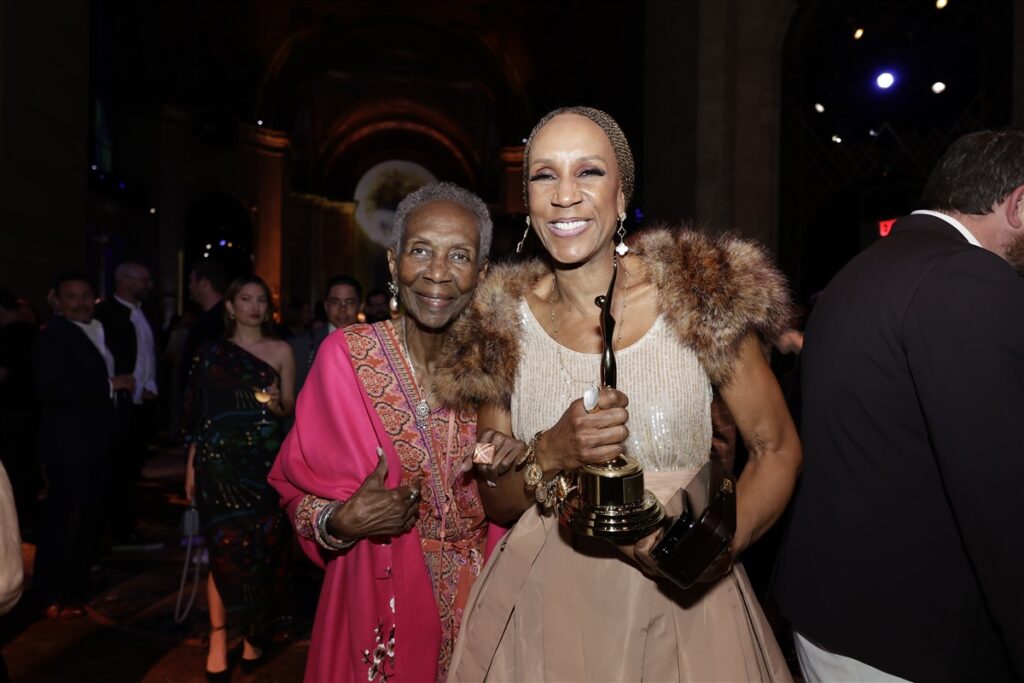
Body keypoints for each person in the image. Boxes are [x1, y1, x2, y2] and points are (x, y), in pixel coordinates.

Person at [439, 107, 800, 682]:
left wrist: (718, 550)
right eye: (544, 175)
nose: (565, 195)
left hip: (685, 606)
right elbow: (495, 496)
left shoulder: (700, 296)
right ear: (527, 199)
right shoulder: (499, 325)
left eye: (588, 171)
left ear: (622, 193)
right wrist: (550, 452)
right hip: (549, 613)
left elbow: (776, 447)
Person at [773, 130, 1024, 683]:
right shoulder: (969, 277)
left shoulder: (862, 269)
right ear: (1019, 203)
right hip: (911, 636)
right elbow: (1002, 494)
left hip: (832, 611)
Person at [269, 182, 499, 683]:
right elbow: (293, 486)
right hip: (378, 607)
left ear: (481, 274)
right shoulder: (346, 358)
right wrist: (339, 521)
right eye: (421, 251)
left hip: (487, 612)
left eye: (459, 255)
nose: (438, 272)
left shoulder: (503, 366)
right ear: (394, 263)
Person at [183, 275, 296, 680]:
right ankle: (218, 637)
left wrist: (276, 401)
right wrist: (191, 465)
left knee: (262, 551)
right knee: (222, 551)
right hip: (217, 465)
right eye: (246, 299)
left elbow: (288, 409)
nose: (254, 307)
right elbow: (198, 414)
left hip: (263, 464)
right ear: (230, 307)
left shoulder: (281, 350)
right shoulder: (210, 353)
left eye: (261, 300)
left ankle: (252, 632)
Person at [31, 272, 134, 619]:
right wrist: (109, 385)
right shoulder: (53, 335)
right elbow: (50, 389)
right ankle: (50, 594)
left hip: (96, 443)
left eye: (85, 295)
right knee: (63, 521)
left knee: (87, 518)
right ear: (57, 301)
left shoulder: (99, 329)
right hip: (69, 446)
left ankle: (75, 588)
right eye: (71, 296)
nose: (80, 302)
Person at [94, 262, 160, 547]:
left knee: (131, 470)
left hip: (140, 406)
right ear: (125, 280)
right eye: (144, 280)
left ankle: (125, 526)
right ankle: (115, 531)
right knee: (117, 471)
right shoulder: (106, 314)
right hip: (117, 405)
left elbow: (147, 356)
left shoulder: (145, 313)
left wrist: (150, 387)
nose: (149, 285)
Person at [0, 290, 40, 533]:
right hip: (35, 411)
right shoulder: (36, 333)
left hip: (11, 414)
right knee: (27, 469)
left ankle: (20, 524)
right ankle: (28, 521)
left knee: (14, 472)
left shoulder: (7, 336)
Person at [288, 275, 362, 394]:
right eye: (335, 302)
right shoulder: (301, 345)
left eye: (349, 302)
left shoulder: (375, 344)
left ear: (359, 306)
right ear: (326, 306)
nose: (342, 309)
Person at [181, 260, 229, 382]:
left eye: (191, 281)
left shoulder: (216, 322)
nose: (189, 286)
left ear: (204, 284)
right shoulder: (219, 317)